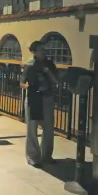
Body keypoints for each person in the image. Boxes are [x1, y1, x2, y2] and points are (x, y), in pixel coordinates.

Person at [20, 40, 58, 168]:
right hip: (33, 98)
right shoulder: (30, 65)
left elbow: (56, 81)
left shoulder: (50, 64)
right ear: (34, 52)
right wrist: (27, 86)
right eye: (41, 50)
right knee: (32, 128)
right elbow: (22, 82)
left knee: (48, 128)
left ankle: (46, 155)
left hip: (47, 98)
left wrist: (47, 71)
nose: (44, 52)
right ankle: (33, 157)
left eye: (44, 50)